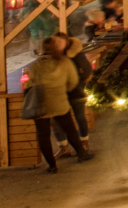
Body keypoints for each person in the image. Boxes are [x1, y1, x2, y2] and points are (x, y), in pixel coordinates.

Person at [24, 35, 93, 171]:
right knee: (70, 129)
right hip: (59, 102)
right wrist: (61, 90)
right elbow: (73, 82)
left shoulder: (34, 66)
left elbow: (27, 84)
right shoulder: (64, 62)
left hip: (40, 104)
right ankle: (81, 153)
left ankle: (52, 165)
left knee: (43, 135)